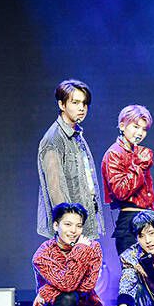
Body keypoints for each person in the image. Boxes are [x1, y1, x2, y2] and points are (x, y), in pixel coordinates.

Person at [37, 79, 104, 240]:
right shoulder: (54, 139)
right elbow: (56, 190)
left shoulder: (77, 136)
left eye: (84, 103)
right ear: (62, 105)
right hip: (71, 232)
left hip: (85, 223)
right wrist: (71, 228)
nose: (82, 108)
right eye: (75, 102)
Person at [101, 105, 154, 255]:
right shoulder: (114, 153)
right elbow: (120, 191)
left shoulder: (138, 152)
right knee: (132, 269)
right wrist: (139, 165)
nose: (140, 133)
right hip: (129, 222)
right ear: (122, 126)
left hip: (147, 219)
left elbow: (147, 194)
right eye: (136, 127)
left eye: (144, 129)